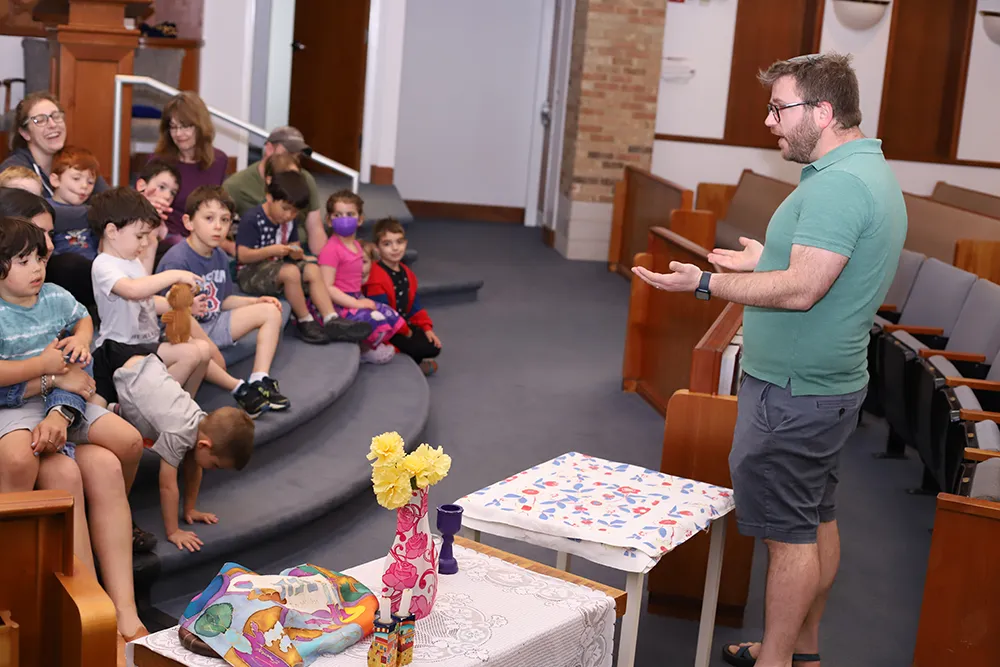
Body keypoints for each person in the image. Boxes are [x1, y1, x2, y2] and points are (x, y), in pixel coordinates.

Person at [631, 53, 906, 667]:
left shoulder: (840, 184)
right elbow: (824, 266)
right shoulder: (862, 169)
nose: (769, 120)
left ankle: (777, 659)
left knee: (789, 538)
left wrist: (704, 284)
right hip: (824, 384)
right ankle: (802, 646)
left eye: (780, 108)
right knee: (815, 517)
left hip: (795, 391)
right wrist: (767, 258)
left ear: (824, 110)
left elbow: (804, 289)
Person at [0, 217, 146, 640]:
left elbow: (81, 322)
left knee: (127, 442)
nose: (36, 268)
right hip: (21, 404)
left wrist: (80, 342)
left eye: (40, 258)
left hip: (59, 398)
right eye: (23, 260)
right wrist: (46, 370)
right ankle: (58, 597)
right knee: (48, 468)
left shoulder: (52, 297)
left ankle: (122, 607)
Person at [156, 185, 288, 418]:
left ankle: (259, 379)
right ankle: (239, 389)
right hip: (183, 332)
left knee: (271, 310)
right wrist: (209, 344)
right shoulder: (177, 260)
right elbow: (172, 317)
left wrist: (257, 301)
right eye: (209, 218)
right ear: (188, 222)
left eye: (225, 220)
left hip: (213, 321)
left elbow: (224, 299)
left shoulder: (218, 254)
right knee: (211, 356)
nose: (218, 226)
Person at [111, 352, 254, 553]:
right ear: (204, 445)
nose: (212, 469)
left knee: (168, 438)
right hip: (127, 375)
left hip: (150, 368)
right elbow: (167, 486)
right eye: (215, 464)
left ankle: (121, 411)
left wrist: (190, 509)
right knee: (136, 431)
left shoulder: (201, 422)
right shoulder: (178, 434)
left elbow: (194, 468)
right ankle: (117, 410)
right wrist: (173, 531)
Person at [87, 188, 215, 407]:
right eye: (140, 236)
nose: (145, 243)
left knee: (203, 350)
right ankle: (153, 408)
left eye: (147, 236)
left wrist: (183, 307)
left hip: (144, 342)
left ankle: (183, 406)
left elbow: (146, 301)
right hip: (118, 349)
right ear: (112, 231)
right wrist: (172, 275)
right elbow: (133, 290)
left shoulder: (131, 261)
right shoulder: (103, 264)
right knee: (190, 354)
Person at [235, 171, 370, 345]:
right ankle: (305, 320)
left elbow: (295, 245)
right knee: (291, 272)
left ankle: (331, 318)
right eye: (285, 209)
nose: (289, 216)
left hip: (277, 267)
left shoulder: (289, 220)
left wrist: (296, 252)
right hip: (250, 272)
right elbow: (242, 255)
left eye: (294, 212)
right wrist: (271, 250)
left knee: (312, 269)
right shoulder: (253, 218)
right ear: (269, 197)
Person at [318, 191, 405, 364]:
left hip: (354, 297)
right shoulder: (331, 249)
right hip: (337, 304)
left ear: (360, 219)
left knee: (390, 315)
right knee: (373, 319)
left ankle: (364, 346)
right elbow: (326, 288)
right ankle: (363, 351)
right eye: (338, 215)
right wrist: (357, 304)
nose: (345, 219)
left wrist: (360, 299)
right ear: (329, 220)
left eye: (350, 214)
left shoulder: (357, 245)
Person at [223, 126, 327, 255]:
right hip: (258, 256)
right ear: (270, 149)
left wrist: (323, 261)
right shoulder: (236, 185)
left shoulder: (305, 179)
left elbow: (315, 228)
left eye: (298, 156)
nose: (293, 161)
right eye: (288, 153)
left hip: (298, 249)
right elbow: (214, 226)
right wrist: (233, 248)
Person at [365, 217, 442, 374]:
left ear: (405, 244)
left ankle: (403, 353)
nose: (395, 248)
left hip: (402, 325)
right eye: (387, 244)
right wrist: (406, 332)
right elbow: (382, 314)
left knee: (432, 346)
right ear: (377, 249)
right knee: (417, 346)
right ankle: (389, 350)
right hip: (385, 327)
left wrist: (426, 328)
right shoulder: (375, 276)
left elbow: (415, 305)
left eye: (399, 242)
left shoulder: (408, 273)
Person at [0, 91, 109, 198]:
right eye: (40, 120)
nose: (52, 125)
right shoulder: (13, 170)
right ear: (25, 133)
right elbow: (36, 212)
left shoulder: (76, 159)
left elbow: (111, 203)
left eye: (56, 116)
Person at [154, 92, 228, 246]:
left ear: (200, 126)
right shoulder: (158, 161)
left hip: (205, 237)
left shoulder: (219, 161)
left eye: (186, 126)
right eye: (173, 127)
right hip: (170, 236)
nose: (179, 134)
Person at [46, 146, 100, 259]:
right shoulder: (45, 207)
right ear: (55, 180)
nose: (84, 186)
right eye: (76, 178)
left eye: (90, 182)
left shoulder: (91, 207)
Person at [135, 158, 181, 273]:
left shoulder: (166, 230)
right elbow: (140, 278)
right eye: (162, 187)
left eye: (172, 193)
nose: (167, 196)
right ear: (141, 186)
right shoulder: (120, 212)